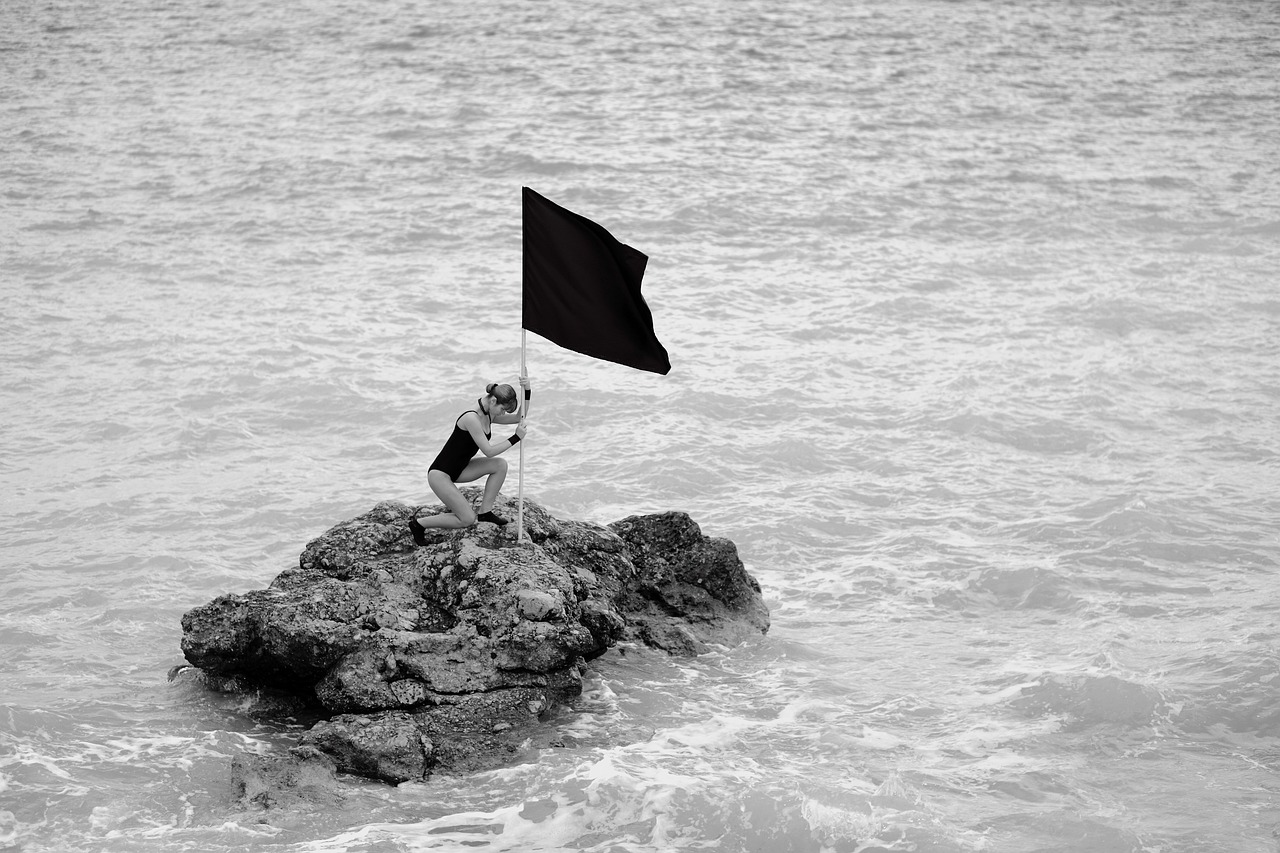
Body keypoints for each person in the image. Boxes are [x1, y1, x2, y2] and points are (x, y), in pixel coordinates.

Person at [409, 377, 530, 543]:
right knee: (466, 519)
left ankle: (485, 513)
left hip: (461, 468)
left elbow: (518, 418)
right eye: (502, 409)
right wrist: (516, 438)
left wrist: (527, 390)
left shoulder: (489, 414)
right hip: (440, 474)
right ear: (494, 400)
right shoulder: (471, 418)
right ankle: (418, 524)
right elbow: (488, 451)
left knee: (500, 465)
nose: (503, 414)